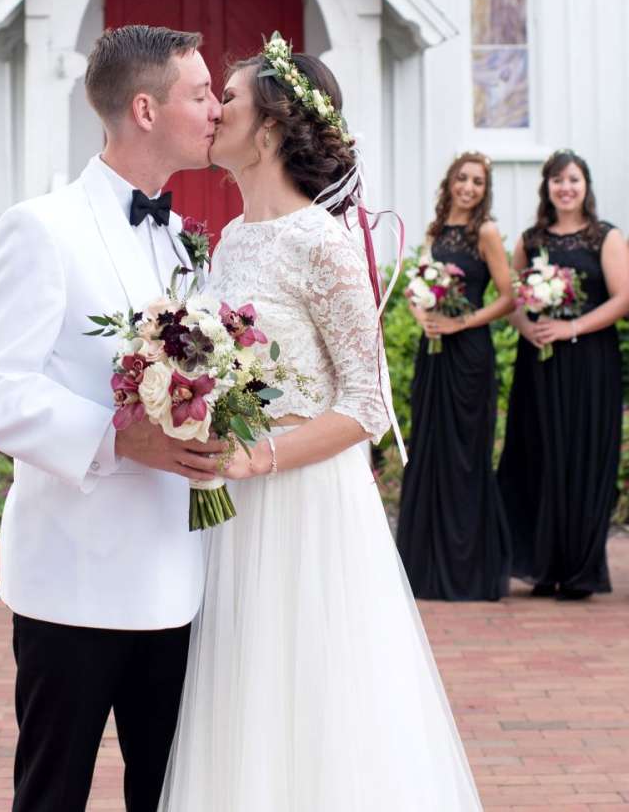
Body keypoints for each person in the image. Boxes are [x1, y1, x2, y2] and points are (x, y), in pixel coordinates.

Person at [159, 41, 482, 810]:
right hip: (235, 512)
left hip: (305, 506)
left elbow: (368, 404)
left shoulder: (324, 243)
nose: (213, 112)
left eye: (227, 100)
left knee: (317, 696)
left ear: (268, 128)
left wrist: (258, 457)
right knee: (244, 693)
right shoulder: (234, 238)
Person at [0, 25, 223, 812]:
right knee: (52, 796)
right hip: (73, 582)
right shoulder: (41, 226)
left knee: (167, 795)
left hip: (179, 577)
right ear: (145, 108)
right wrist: (114, 436)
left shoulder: (184, 241)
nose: (216, 109)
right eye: (200, 93)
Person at [503, 150, 629, 601]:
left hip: (589, 362)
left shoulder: (606, 237)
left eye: (573, 180)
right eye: (557, 180)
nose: (566, 188)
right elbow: (513, 301)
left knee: (582, 458)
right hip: (539, 363)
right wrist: (530, 328)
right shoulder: (530, 239)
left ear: (586, 186)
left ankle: (580, 569)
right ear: (547, 188)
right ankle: (541, 565)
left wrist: (571, 327)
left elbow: (622, 299)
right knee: (538, 457)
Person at [395, 151, 516, 602]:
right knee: (431, 448)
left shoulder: (485, 233)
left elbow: (508, 298)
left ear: (485, 191)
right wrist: (421, 311)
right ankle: (427, 568)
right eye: (463, 179)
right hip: (434, 352)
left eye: (478, 182)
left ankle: (469, 571)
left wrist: (459, 324)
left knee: (466, 454)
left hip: (468, 354)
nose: (469, 187)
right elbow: (416, 287)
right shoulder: (435, 230)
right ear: (450, 182)